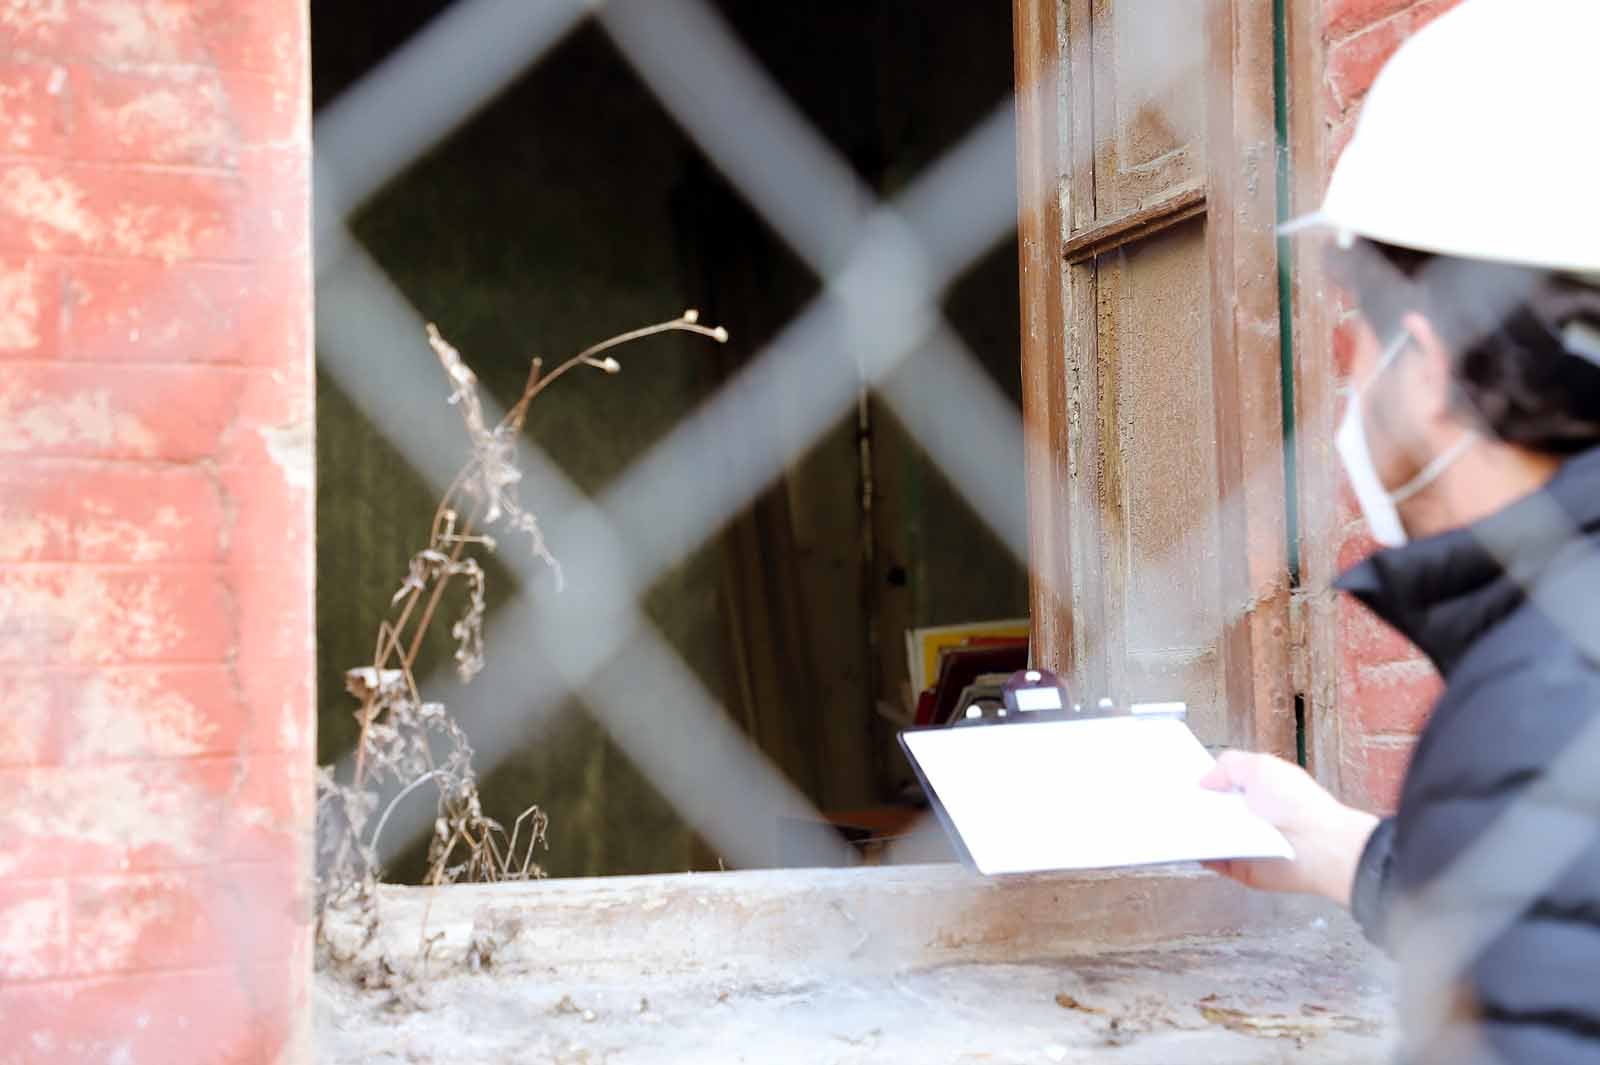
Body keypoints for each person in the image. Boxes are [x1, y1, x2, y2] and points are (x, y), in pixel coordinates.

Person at [1198, 1, 1600, 1062]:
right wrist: (1346, 849)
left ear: (1422, 363)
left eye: (1357, 335)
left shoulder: (1541, 702)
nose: (1348, 378)